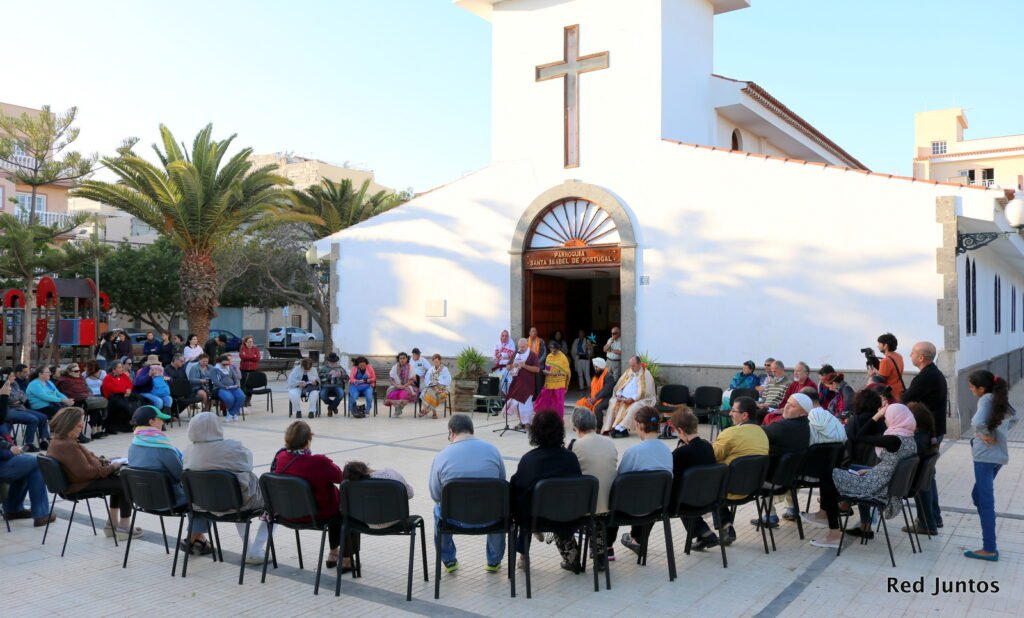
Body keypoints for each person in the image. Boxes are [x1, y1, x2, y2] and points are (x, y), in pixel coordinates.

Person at [183, 411, 268, 564]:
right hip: (238, 505)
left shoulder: (188, 452)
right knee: (248, 496)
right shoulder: (233, 447)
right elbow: (248, 464)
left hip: (202, 506)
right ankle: (254, 550)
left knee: (233, 493)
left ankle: (250, 550)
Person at [46, 407, 141, 540]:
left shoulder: (59, 441)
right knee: (123, 482)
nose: (82, 426)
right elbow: (87, 473)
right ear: (71, 424)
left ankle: (112, 524)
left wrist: (106, 462)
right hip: (78, 486)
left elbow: (86, 460)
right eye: (81, 423)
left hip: (75, 483)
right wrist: (113, 466)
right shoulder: (68, 445)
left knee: (117, 481)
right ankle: (124, 528)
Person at [127, 404, 212, 554]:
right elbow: (180, 475)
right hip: (169, 501)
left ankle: (200, 539)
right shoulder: (161, 446)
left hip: (143, 500)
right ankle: (191, 540)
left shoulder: (134, 444)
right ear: (151, 421)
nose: (163, 422)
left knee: (198, 495)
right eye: (161, 419)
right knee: (205, 495)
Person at [430, 414, 507, 573]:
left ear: (451, 432)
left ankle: (448, 560)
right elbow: (501, 484)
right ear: (472, 430)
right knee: (500, 508)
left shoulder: (442, 456)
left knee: (437, 510)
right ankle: (494, 561)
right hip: (490, 518)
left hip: (454, 520)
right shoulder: (493, 450)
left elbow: (436, 495)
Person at [510, 410, 583, 572]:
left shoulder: (529, 460)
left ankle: (523, 555)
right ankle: (570, 554)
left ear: (534, 433)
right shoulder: (570, 458)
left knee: (522, 500)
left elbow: (518, 492)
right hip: (567, 517)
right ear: (560, 431)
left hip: (536, 518)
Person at [638, 406, 719, 551]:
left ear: (681, 430)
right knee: (685, 494)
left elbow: (669, 477)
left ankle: (638, 539)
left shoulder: (681, 454)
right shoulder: (708, 447)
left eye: (675, 431)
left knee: (655, 496)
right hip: (708, 498)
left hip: (685, 502)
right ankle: (704, 533)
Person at [272, 421, 350, 571]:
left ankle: (334, 554)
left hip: (287, 513)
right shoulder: (318, 462)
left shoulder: (280, 458)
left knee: (335, 507)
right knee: (345, 509)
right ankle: (345, 559)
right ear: (308, 440)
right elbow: (341, 478)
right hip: (316, 515)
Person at [833, 403, 918, 540]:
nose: (885, 420)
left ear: (895, 418)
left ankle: (833, 514)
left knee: (832, 473)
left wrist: (876, 416)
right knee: (854, 469)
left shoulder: (893, 440)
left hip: (877, 485)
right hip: (886, 482)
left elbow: (860, 436)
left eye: (887, 416)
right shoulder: (910, 439)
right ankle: (862, 524)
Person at [963, 371, 1017, 561]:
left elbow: (977, 421)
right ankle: (989, 536)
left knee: (985, 502)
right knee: (977, 496)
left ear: (981, 388)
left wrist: (986, 433)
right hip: (996, 457)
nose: (970, 390)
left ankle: (989, 548)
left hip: (985, 456)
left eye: (971, 387)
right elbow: (1014, 417)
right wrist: (997, 433)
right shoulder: (997, 397)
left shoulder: (986, 399)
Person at [901, 340, 948, 531]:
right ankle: (934, 518)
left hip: (926, 432)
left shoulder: (925, 377)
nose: (910, 355)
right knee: (928, 476)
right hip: (934, 431)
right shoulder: (934, 374)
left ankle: (926, 523)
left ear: (921, 357)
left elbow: (905, 399)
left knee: (921, 476)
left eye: (912, 353)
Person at [616, 408, 673, 555]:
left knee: (614, 496)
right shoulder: (667, 451)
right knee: (650, 491)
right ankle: (638, 538)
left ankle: (607, 547)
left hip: (631, 509)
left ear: (640, 426)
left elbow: (619, 480)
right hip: (657, 507)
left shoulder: (633, 452)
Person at [0, 375, 54, 527]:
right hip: (3, 460)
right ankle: (40, 513)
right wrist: (10, 451)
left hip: (5, 457)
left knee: (28, 465)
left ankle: (14, 509)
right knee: (35, 462)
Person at [568, 407, 618, 568]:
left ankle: (572, 558)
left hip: (587, 506)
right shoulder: (610, 443)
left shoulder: (575, 445)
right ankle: (599, 555)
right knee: (596, 514)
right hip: (610, 502)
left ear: (576, 426)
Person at [755, 392, 811, 526]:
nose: (786, 408)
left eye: (792, 406)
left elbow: (755, 435)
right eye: (787, 404)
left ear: (803, 413)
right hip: (790, 481)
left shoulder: (781, 427)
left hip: (771, 482)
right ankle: (788, 509)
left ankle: (769, 515)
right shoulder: (806, 427)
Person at [342, 461, 414, 529]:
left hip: (364, 523)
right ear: (366, 467)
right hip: (395, 521)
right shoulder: (390, 474)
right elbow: (410, 494)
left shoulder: (349, 486)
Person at [601, 355, 656, 438]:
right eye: (630, 365)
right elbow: (620, 384)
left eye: (633, 366)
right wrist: (619, 394)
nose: (631, 367)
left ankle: (620, 428)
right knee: (613, 402)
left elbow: (645, 392)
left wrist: (632, 399)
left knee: (633, 407)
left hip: (641, 399)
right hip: (624, 398)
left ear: (639, 364)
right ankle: (609, 427)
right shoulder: (629, 371)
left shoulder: (646, 374)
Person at [5, 364, 52, 452]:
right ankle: (29, 444)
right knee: (33, 419)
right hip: (9, 410)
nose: (14, 378)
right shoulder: (2, 385)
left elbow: (23, 395)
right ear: (5, 376)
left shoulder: (14, 383)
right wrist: (18, 398)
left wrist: (19, 399)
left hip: (20, 407)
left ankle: (44, 441)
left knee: (43, 417)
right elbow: (9, 399)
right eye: (12, 376)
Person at [57, 363, 103, 442]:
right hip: (71, 402)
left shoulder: (80, 378)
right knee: (78, 411)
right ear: (69, 372)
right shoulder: (64, 381)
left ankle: (94, 429)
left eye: (79, 370)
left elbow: (86, 389)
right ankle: (78, 434)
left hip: (83, 400)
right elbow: (69, 394)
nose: (78, 372)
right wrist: (83, 396)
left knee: (96, 407)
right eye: (76, 371)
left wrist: (88, 395)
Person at [504, 338, 541, 429]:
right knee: (517, 404)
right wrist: (513, 365)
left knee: (526, 404)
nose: (521, 349)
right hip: (516, 384)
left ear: (527, 345)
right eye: (519, 347)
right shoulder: (516, 354)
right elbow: (508, 367)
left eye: (523, 347)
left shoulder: (532, 355)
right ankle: (521, 422)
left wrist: (525, 366)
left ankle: (528, 423)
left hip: (528, 384)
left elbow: (537, 369)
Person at [534, 340, 570, 419]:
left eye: (554, 348)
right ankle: (545, 418)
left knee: (558, 404)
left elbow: (566, 372)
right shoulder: (549, 356)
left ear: (558, 348)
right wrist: (545, 372)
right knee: (545, 402)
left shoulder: (562, 357)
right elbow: (547, 369)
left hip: (559, 384)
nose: (553, 350)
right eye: (551, 348)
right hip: (549, 383)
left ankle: (558, 420)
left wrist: (554, 374)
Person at [574, 357, 613, 423]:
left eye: (596, 367)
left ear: (601, 367)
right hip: (593, 398)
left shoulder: (609, 376)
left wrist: (595, 398)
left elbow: (606, 390)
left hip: (605, 398)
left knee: (597, 408)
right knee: (579, 403)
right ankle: (579, 424)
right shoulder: (596, 376)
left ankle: (598, 427)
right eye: (594, 367)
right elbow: (590, 388)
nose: (595, 369)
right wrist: (589, 397)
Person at [101, 361, 135, 433]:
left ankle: (128, 425)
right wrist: (124, 391)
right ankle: (127, 423)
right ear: (114, 369)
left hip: (123, 395)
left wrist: (128, 389)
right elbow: (112, 389)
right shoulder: (108, 378)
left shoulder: (124, 376)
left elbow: (130, 384)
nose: (122, 369)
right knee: (124, 405)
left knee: (138, 399)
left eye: (122, 367)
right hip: (113, 397)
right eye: (119, 367)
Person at [212, 354, 245, 421]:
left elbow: (235, 378)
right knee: (229, 398)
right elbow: (215, 381)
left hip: (232, 387)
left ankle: (231, 413)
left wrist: (236, 384)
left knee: (241, 396)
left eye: (227, 364)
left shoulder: (229, 368)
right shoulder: (214, 370)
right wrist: (224, 387)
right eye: (224, 364)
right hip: (220, 388)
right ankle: (233, 413)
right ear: (219, 363)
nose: (226, 366)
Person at [384, 352, 418, 417]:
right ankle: (398, 409)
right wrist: (397, 385)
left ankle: (398, 410)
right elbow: (391, 379)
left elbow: (412, 379)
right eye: (400, 358)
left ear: (407, 359)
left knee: (403, 395)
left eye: (404, 358)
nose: (402, 360)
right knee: (392, 394)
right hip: (397, 386)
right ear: (398, 359)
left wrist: (404, 386)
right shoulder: (395, 367)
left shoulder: (410, 367)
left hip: (408, 386)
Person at [420, 354, 452, 418]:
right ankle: (433, 413)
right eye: (434, 362)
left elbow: (448, 380)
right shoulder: (431, 369)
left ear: (440, 361)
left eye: (437, 362)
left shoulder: (445, 369)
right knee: (428, 391)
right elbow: (427, 379)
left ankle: (426, 409)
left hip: (442, 388)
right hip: (432, 387)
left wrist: (438, 383)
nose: (435, 363)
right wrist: (431, 384)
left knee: (432, 393)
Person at [876, 332, 906, 401]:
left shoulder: (886, 361)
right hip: (900, 393)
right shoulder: (899, 356)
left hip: (890, 396)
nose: (878, 346)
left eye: (879, 343)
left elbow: (880, 381)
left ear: (885, 345)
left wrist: (873, 375)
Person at [238, 336, 261, 410]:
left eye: (252, 341)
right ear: (245, 342)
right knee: (243, 386)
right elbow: (242, 357)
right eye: (249, 342)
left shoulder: (255, 349)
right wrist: (252, 357)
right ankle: (243, 401)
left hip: (253, 370)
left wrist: (248, 357)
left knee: (251, 386)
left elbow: (257, 358)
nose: (251, 343)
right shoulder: (242, 348)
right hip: (244, 370)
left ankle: (248, 400)